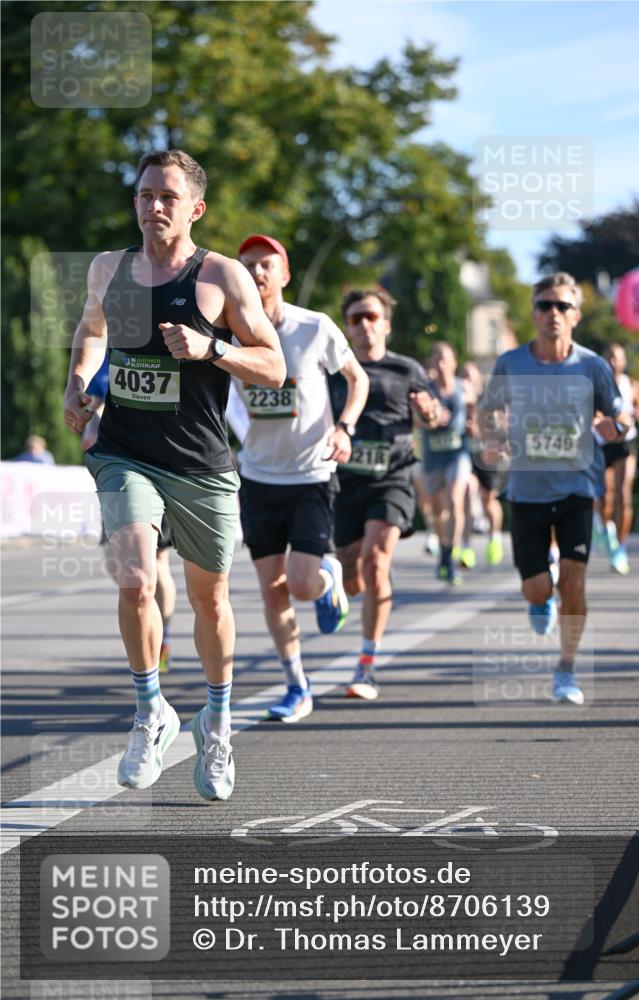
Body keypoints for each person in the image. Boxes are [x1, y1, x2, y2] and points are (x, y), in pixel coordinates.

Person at [63, 150, 285, 801]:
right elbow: (91, 330)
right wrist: (78, 382)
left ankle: (215, 723)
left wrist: (213, 347)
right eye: (144, 194)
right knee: (135, 578)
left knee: (208, 600)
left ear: (195, 208)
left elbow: (273, 367)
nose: (153, 206)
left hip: (201, 464)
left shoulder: (221, 277)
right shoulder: (109, 268)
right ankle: (149, 711)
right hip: (124, 451)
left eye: (167, 196)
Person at [235, 234, 369, 723]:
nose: (256, 273)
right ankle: (297, 685)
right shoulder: (230, 334)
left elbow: (358, 379)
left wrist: (346, 426)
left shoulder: (314, 327)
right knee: (272, 591)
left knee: (301, 582)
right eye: (247, 265)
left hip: (312, 473)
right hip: (258, 477)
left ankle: (328, 576)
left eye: (266, 264)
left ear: (284, 274)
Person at [481, 272, 627, 705]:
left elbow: (622, 419)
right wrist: (493, 437)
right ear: (534, 314)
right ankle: (539, 599)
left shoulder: (592, 366)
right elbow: (487, 410)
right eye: (544, 306)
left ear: (576, 316)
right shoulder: (511, 363)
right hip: (526, 490)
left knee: (575, 580)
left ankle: (566, 669)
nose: (553, 314)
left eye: (562, 306)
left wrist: (613, 427)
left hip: (577, 489)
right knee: (538, 587)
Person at [329, 288, 441, 700]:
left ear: (386, 324)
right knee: (353, 574)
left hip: (392, 475)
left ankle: (367, 663)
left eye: (372, 317)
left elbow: (435, 414)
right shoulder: (333, 368)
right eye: (356, 318)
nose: (364, 325)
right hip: (344, 482)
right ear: (347, 326)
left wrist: (431, 413)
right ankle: (348, 580)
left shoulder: (406, 368)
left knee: (377, 563)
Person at [82, 355, 178, 673]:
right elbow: (93, 404)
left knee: (154, 564)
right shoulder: (104, 356)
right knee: (117, 564)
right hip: (117, 469)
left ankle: (159, 642)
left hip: (158, 468)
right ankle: (147, 623)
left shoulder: (161, 343)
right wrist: (87, 420)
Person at [421, 342, 473, 586]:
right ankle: (443, 551)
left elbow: (479, 412)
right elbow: (414, 421)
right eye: (437, 359)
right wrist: (430, 419)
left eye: (446, 359)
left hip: (458, 454)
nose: (441, 365)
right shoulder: (426, 390)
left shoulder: (464, 388)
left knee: (455, 499)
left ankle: (452, 553)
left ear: (454, 362)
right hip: (433, 457)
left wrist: (478, 425)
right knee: (438, 510)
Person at [597, 343, 639, 575]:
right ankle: (607, 532)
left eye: (616, 358)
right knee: (605, 497)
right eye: (608, 357)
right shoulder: (597, 385)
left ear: (623, 361)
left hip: (626, 442)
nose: (612, 362)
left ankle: (621, 547)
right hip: (602, 443)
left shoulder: (630, 384)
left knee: (623, 494)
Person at [460, 361, 504, 567]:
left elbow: (498, 423)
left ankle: (494, 538)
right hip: (465, 454)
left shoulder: (488, 399)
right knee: (467, 495)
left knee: (488, 499)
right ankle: (466, 548)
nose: (467, 379)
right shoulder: (456, 398)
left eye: (471, 375)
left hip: (486, 453)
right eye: (464, 375)